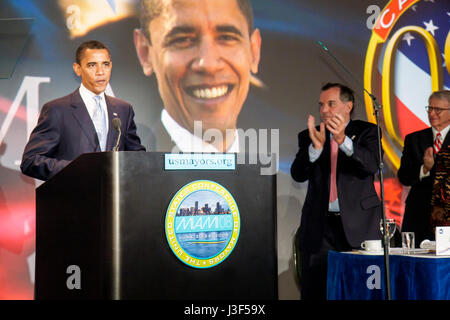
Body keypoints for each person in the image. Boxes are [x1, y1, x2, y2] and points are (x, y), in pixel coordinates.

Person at [290, 83, 381, 300]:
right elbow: (297, 173)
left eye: (331, 104)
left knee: (360, 292)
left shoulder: (367, 131)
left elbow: (372, 165)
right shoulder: (310, 135)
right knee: (317, 290)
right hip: (320, 228)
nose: (324, 110)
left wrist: (342, 140)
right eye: (321, 105)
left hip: (359, 227)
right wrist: (315, 149)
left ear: (348, 106)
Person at [133, 0, 261, 152]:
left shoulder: (279, 176)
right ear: (145, 53)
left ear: (254, 51)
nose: (209, 65)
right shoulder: (120, 174)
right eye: (182, 40)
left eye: (227, 37)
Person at [21, 40, 146, 181]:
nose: (100, 72)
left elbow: (137, 157)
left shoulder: (124, 109)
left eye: (105, 64)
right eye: (92, 65)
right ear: (77, 68)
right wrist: (77, 169)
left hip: (115, 199)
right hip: (74, 198)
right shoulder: (57, 110)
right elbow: (31, 161)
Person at [398, 90, 450, 245]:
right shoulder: (414, 139)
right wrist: (424, 170)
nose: (432, 113)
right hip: (418, 214)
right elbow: (404, 176)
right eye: (430, 108)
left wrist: (435, 167)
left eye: (438, 110)